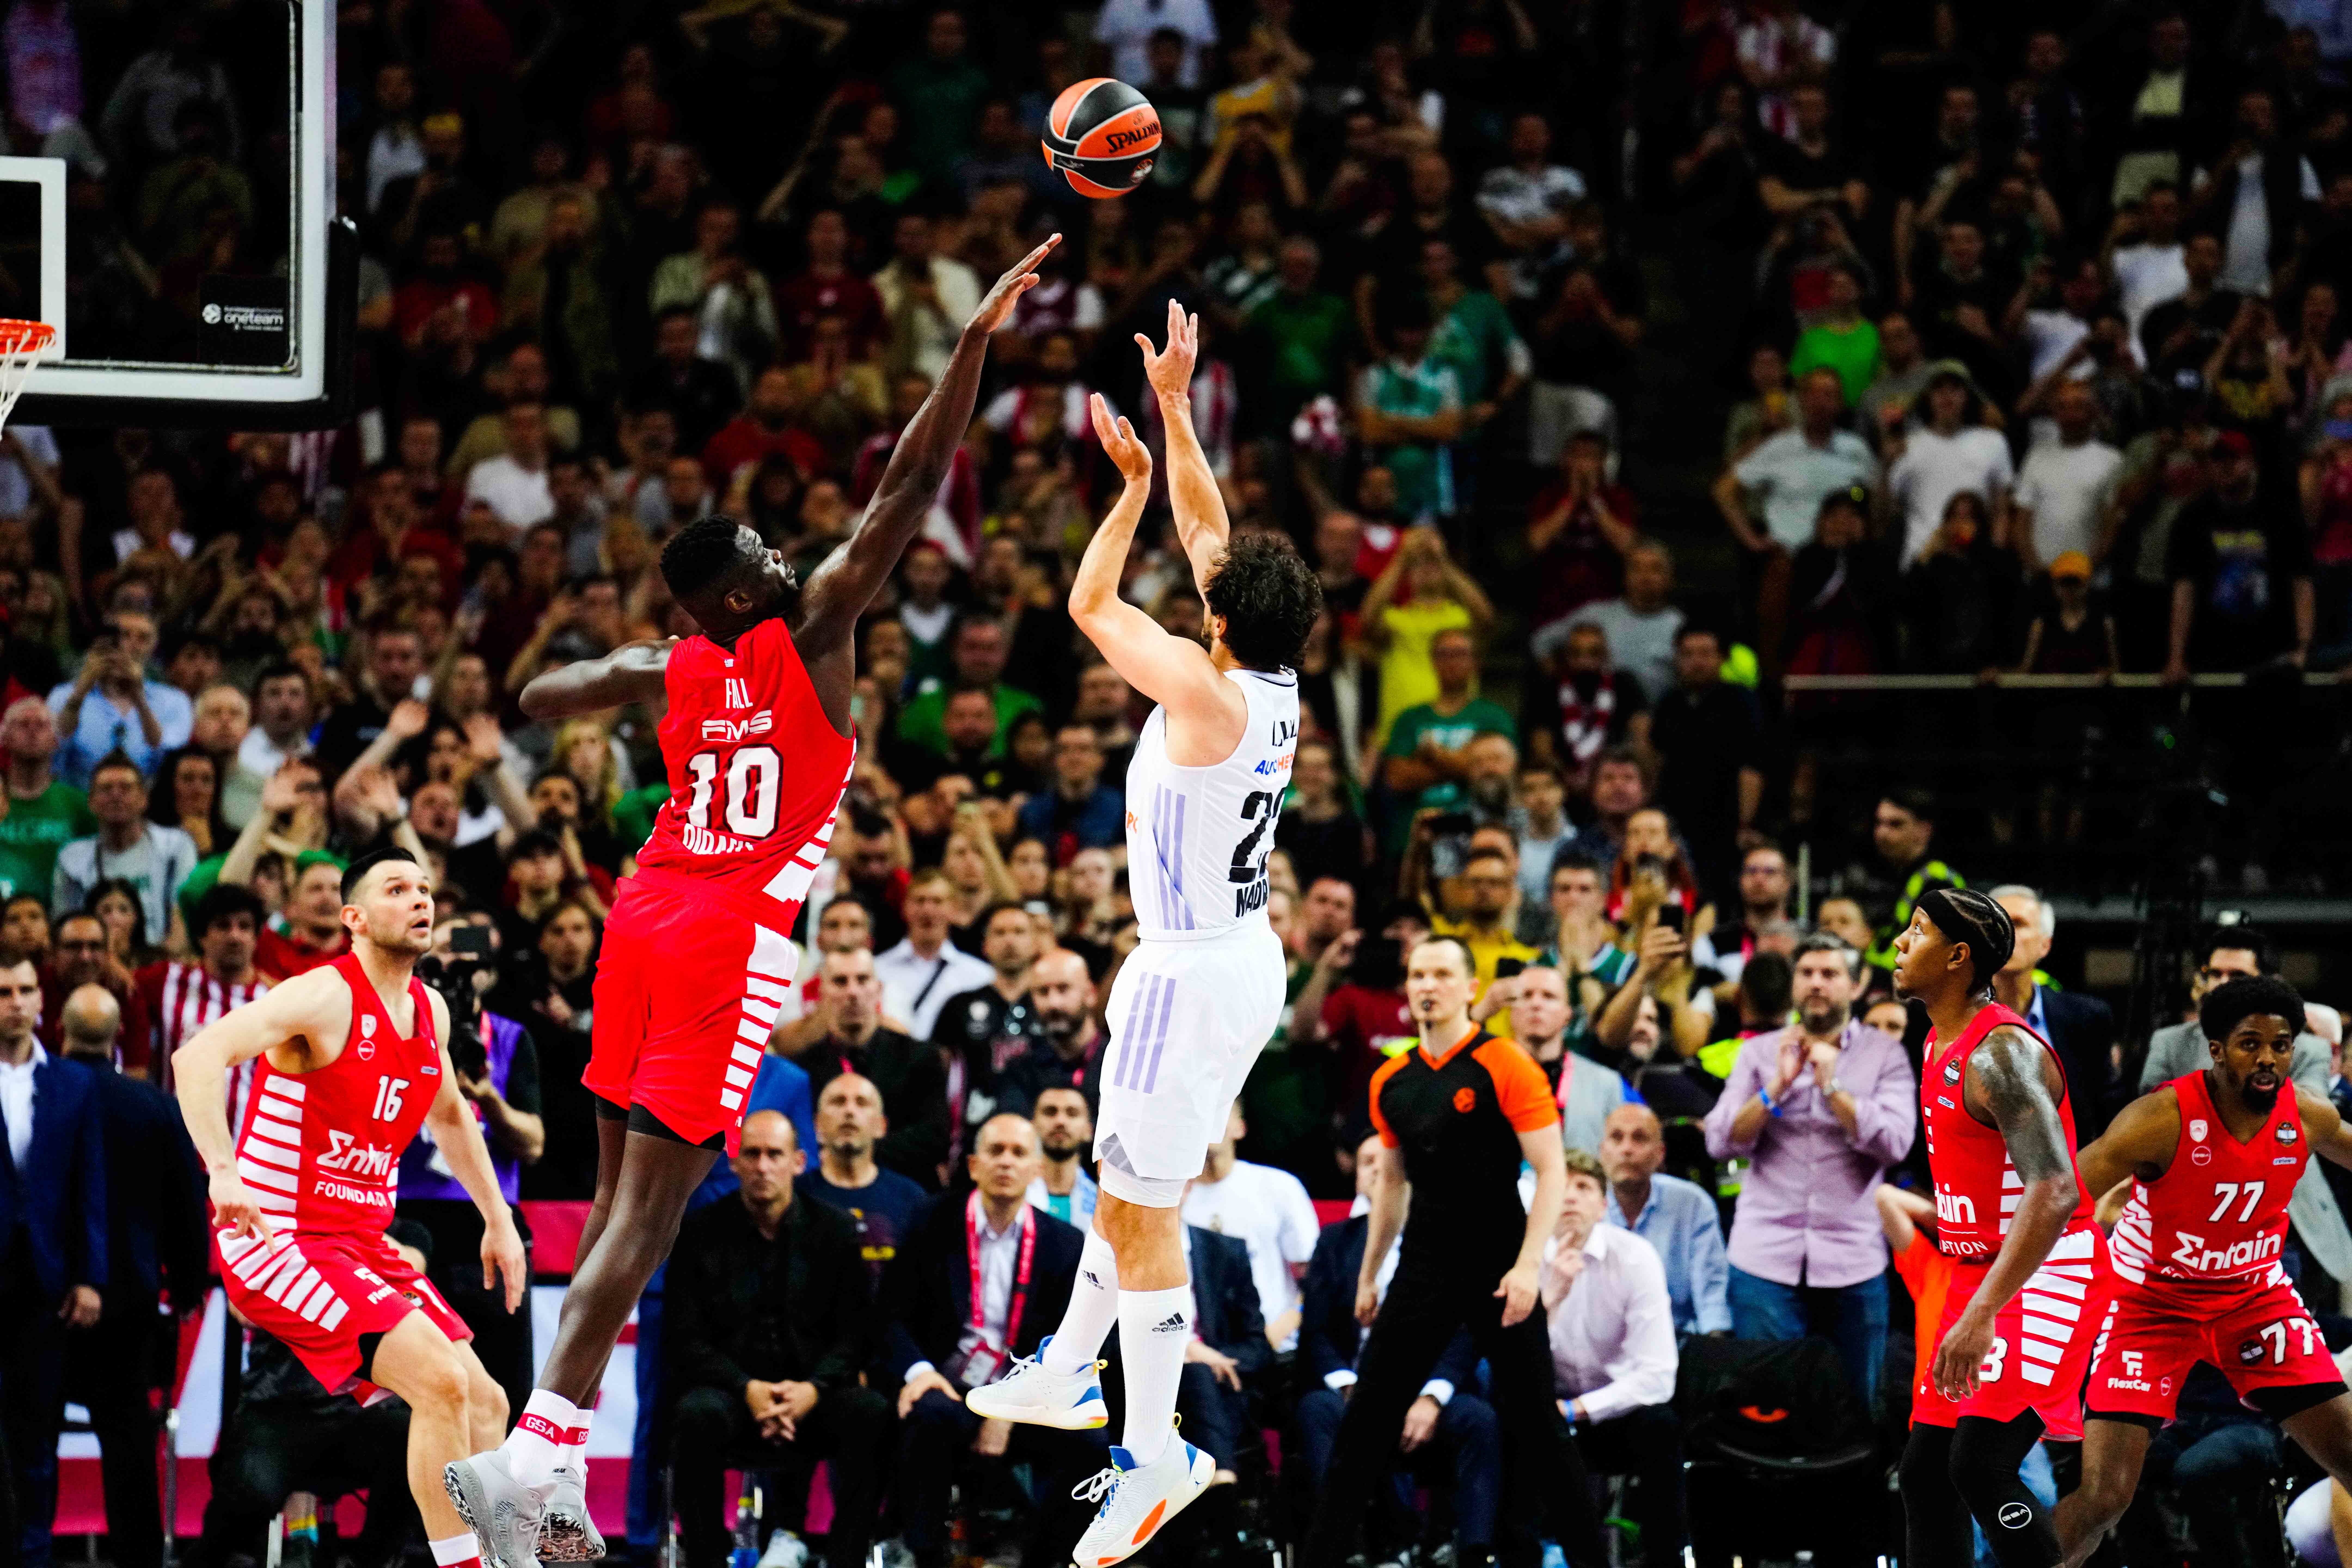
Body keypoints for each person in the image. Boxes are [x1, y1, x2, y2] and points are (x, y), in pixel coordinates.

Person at [446, 239, 1059, 1567]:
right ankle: (533, 1460)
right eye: (768, 554)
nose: (793, 554)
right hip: (726, 936)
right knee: (654, 1222)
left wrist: (548, 692)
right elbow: (903, 489)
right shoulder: (816, 625)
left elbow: (562, 687)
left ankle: (545, 1474)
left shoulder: (676, 664)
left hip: (638, 914)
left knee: (615, 1218)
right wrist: (970, 348)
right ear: (743, 594)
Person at [966, 304, 1319, 1566]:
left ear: (1221, 622)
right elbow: (1215, 532)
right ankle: (1068, 1364)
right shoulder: (1268, 676)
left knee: (1139, 1208)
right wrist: (1176, 410)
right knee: (1131, 1192)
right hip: (1231, 952)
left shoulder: (1204, 687)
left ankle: (1156, 1454)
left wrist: (1123, 487)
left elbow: (1090, 597)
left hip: (1189, 965)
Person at [169, 849, 527, 1568]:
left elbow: (452, 1117)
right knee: (441, 1382)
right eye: (398, 889)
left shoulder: (430, 1008)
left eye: (426, 888)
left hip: (361, 1240)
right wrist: (223, 1170)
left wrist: (499, 1219)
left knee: (487, 1402)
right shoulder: (323, 996)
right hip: (278, 1237)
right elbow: (197, 1059)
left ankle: (504, 1556)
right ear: (355, 918)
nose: (420, 899)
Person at [1300, 936, 1596, 1568]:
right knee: (1365, 1424)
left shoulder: (1504, 1061)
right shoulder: (1392, 1078)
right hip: (1425, 1265)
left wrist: (1527, 1265)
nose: (1427, 984)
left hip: (1498, 1262)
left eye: (1441, 973)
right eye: (1417, 975)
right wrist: (1370, 1270)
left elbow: (1548, 1169)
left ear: (1469, 988)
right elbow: (1393, 1182)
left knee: (1539, 1428)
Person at [2057, 977, 2352, 1568]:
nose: (2267, 1059)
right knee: (2105, 1498)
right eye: (2249, 1044)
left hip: (2254, 1300)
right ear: (2216, 1049)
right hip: (2151, 1305)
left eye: (2281, 1045)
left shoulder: (2306, 1116)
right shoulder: (2160, 1117)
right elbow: (2059, 1193)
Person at [1892, 887, 2112, 1568]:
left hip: (2046, 1268)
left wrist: (1983, 1308)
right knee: (1926, 1471)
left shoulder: (2000, 1054)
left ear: (1958, 956)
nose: (1899, 941)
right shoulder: (1935, 1038)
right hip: (1979, 1271)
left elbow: (2054, 1187)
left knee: (1980, 1467)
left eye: (1918, 931)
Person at [665, 1110, 891, 1568]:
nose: (763, 1166)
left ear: (799, 1161)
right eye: (753, 1154)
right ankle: (706, 1561)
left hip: (813, 1396)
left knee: (871, 1414)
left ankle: (846, 1560)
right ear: (734, 1161)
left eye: (775, 1155)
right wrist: (747, 1389)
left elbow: (856, 1335)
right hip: (732, 1396)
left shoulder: (837, 1230)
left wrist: (813, 1389)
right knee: (695, 1415)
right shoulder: (700, 1232)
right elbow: (684, 1338)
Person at [880, 1113, 1107, 1568]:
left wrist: (1015, 1407)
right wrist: (920, 1373)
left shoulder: (1063, 1243)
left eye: (1019, 1153)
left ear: (1038, 1169)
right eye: (996, 1151)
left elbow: (1075, 1337)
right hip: (947, 1388)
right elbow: (889, 1316)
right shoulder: (930, 1223)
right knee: (929, 1418)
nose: (1006, 1162)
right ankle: (926, 1554)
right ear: (973, 1165)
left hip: (1028, 1392)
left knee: (1090, 1445)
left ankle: (1047, 1559)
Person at [1703, 934, 1914, 1410]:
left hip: (1853, 1261)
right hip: (1764, 1261)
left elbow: (1897, 1143)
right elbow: (1719, 1141)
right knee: (1768, 1412)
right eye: (1807, 974)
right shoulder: (1759, 1055)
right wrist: (1777, 1088)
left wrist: (1833, 1088)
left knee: (1857, 1411)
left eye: (1830, 974)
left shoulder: (1885, 1054)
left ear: (1857, 985)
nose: (1817, 984)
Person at [56, 982, 207, 1568]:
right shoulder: (153, 1106)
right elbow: (187, 1206)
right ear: (121, 1035)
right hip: (130, 1306)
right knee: (128, 1445)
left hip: (43, 1303)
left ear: (58, 1028)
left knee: (29, 1438)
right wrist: (189, 1287)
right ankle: (139, 1559)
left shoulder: (39, 1097)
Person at [1295, 1134, 1499, 1567]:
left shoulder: (1449, 1241)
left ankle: (1475, 1553)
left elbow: (1467, 1332)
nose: (1378, 1169)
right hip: (1355, 1388)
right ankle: (1342, 1549)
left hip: (1427, 1393)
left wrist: (1431, 1396)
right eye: (1367, 1161)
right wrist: (1352, 1390)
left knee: (1478, 1418)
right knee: (1316, 1409)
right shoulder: (1335, 1242)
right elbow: (1315, 1333)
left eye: (1388, 1160)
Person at [2138, 925, 2352, 1289]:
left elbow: (2303, 1113)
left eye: (2237, 976)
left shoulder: (2308, 1051)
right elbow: (2148, 1118)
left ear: (2268, 983)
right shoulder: (2170, 1043)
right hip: (2189, 1219)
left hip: (2287, 1218)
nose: (2222, 984)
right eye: (2214, 974)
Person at [0, 954, 107, 1568]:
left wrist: (91, 1277)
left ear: (44, 1000)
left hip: (45, 1285)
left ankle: (35, 1555)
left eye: (26, 990)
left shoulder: (73, 1083)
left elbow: (91, 1184)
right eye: (4, 991)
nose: (16, 1002)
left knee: (37, 1433)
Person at [1544, 1146, 1682, 1568]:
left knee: (1661, 1425)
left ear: (1603, 1206)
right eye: (1561, 1187)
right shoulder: (1525, 1262)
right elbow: (1510, 1365)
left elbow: (1658, 1376)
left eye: (1583, 1187)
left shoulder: (1635, 1257)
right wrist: (1550, 1300)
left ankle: (1666, 1558)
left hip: (1616, 1409)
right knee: (1505, 1419)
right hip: (1547, 1411)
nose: (1570, 1197)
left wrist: (1578, 1409)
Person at [1180, 1104, 1321, 1348]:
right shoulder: (1171, 1199)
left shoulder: (1279, 1186)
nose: (1208, 1123)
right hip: (1198, 1357)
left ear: (1240, 1127)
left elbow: (1316, 1277)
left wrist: (1282, 1328)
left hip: (1280, 1348)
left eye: (1219, 1111)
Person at [1987, 886, 2118, 1139]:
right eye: (1996, 923)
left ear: (2045, 946)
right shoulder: (1947, 1015)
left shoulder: (2088, 1018)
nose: (2004, 933)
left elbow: (2107, 1111)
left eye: (2018, 924)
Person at [1600, 1103, 1731, 1335]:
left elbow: (1711, 1296)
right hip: (1602, 1345)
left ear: (1660, 1154)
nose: (1627, 1149)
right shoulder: (1580, 1208)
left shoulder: (1693, 1204)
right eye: (1617, 1138)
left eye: (1639, 1138)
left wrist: (1716, 1355)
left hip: (1677, 1340)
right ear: (1602, 1152)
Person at [53, 752, 200, 953]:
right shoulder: (72, 858)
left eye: (126, 788)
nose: (116, 796)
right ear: (91, 802)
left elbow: (181, 928)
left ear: (144, 799)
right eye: (106, 789)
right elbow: (65, 931)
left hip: (160, 959)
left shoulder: (176, 846)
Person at [795, 1073, 930, 1288]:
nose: (849, 1111)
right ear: (817, 1126)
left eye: (862, 1103)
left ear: (881, 1127)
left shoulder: (913, 1199)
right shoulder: (795, 1196)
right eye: (838, 1102)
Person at [871, 871, 992, 1045]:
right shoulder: (876, 971)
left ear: (953, 909)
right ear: (905, 908)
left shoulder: (980, 976)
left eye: (937, 901)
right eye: (920, 901)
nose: (928, 910)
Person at [1027, 1084, 1100, 1225]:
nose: (1061, 1121)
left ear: (1089, 1130)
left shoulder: (1103, 1203)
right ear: (1032, 1125)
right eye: (1050, 1112)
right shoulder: (1009, 1196)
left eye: (1072, 1113)